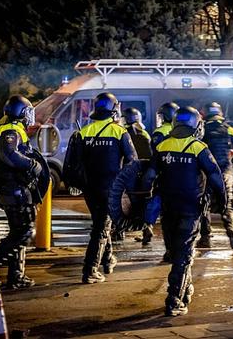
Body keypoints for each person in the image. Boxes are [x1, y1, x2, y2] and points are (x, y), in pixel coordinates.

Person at [143, 106, 226, 316]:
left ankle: (184, 289)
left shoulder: (163, 145)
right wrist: (223, 203)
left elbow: (149, 176)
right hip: (191, 209)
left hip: (168, 210)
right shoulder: (198, 147)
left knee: (177, 252)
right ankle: (174, 300)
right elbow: (215, 176)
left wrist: (142, 202)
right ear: (196, 125)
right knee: (184, 255)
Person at [0, 95, 44, 289]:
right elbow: (9, 155)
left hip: (12, 187)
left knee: (19, 230)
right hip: (13, 188)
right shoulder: (11, 130)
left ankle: (16, 276)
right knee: (24, 232)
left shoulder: (7, 128)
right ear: (21, 112)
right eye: (27, 111)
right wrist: (33, 164)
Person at [76, 92, 137, 284]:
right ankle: (90, 269)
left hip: (90, 189)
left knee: (102, 223)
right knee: (101, 228)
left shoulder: (83, 131)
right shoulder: (120, 132)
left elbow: (75, 163)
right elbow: (132, 161)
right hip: (111, 189)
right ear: (114, 109)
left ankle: (108, 259)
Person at [198, 102, 233, 249]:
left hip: (208, 173)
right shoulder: (229, 129)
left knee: (205, 205)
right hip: (226, 172)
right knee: (227, 204)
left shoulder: (202, 129)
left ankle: (205, 238)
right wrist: (231, 166)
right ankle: (232, 232)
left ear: (205, 113)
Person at [121, 107, 154, 244]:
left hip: (129, 172)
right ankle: (147, 228)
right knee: (143, 201)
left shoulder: (123, 133)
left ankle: (119, 231)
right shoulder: (145, 133)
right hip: (145, 172)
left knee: (124, 202)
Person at [151, 102, 179, 260]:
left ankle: (170, 251)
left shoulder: (159, 133)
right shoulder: (186, 133)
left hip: (164, 180)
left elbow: (154, 156)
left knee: (167, 218)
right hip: (183, 180)